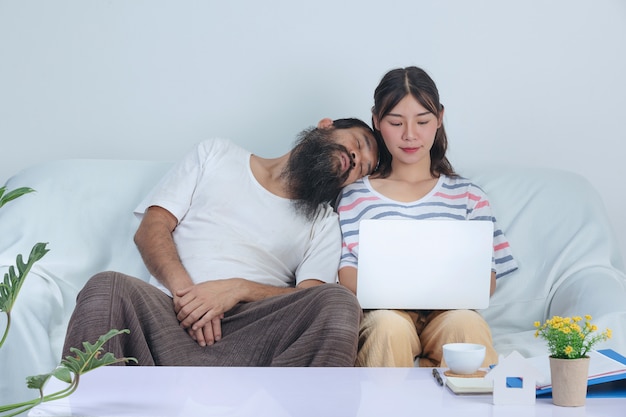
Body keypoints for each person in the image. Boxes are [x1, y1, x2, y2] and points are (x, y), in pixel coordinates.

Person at [62, 117, 379, 367]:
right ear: (327, 125)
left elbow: (309, 298)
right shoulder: (216, 154)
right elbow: (151, 228)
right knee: (105, 288)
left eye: (362, 167)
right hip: (167, 317)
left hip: (253, 336)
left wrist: (235, 290)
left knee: (339, 301)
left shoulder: (323, 223)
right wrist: (192, 298)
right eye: (359, 143)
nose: (355, 158)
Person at [336, 67, 518, 368]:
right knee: (386, 328)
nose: (410, 135)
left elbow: (485, 278)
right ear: (377, 121)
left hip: (451, 314)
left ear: (439, 119)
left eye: (422, 121)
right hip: (383, 314)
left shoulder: (469, 196)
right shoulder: (354, 196)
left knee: (466, 326)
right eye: (396, 122)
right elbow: (346, 274)